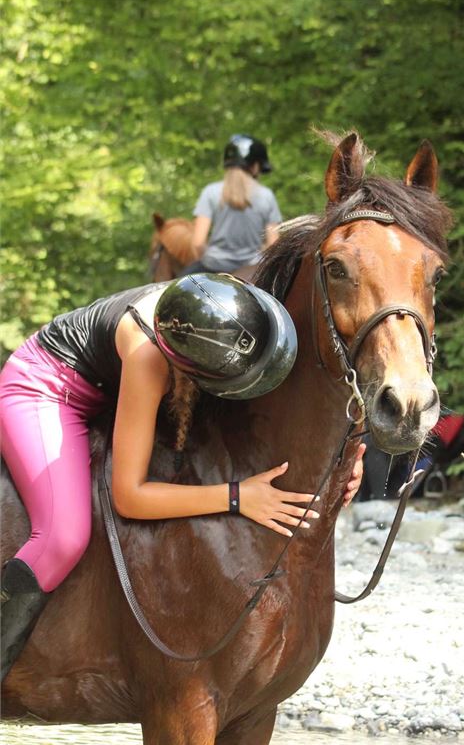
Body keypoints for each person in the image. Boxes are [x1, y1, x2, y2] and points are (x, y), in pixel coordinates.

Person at [0, 273, 364, 681]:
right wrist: (237, 497)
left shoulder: (237, 302)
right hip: (45, 388)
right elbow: (129, 496)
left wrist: (345, 461)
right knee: (61, 539)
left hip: (114, 378)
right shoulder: (148, 357)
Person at [183, 134, 282, 275]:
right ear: (254, 167)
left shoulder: (210, 192)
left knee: (174, 291)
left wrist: (210, 264)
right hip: (252, 271)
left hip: (213, 267)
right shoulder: (267, 196)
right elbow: (273, 246)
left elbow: (198, 243)